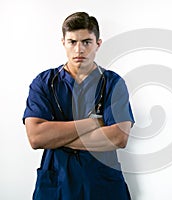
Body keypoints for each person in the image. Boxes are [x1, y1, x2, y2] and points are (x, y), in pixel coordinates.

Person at [23, 12, 134, 200]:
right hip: (57, 183)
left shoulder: (113, 83)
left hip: (102, 183)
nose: (79, 50)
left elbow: (118, 138)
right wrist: (93, 123)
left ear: (98, 44)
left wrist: (57, 138)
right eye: (72, 42)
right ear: (63, 43)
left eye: (86, 42)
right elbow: (36, 137)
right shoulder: (44, 83)